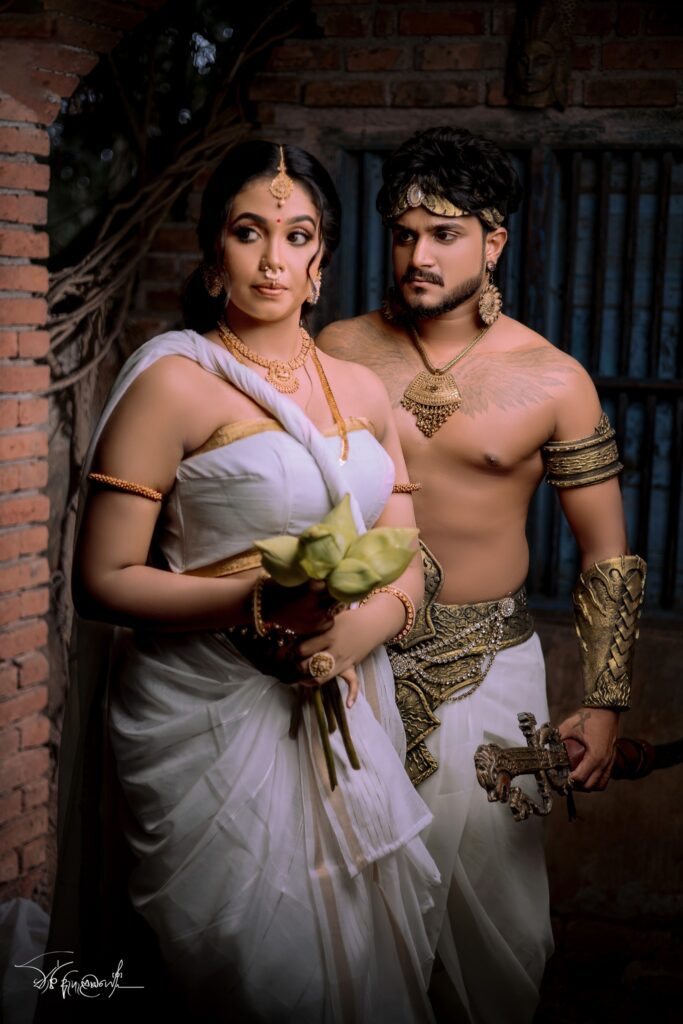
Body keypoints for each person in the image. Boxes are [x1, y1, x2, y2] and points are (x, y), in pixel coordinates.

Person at [43, 141, 442, 1024]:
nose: (272, 259)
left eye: (296, 236)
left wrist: (348, 638)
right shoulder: (173, 383)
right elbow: (101, 581)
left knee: (352, 962)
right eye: (248, 231)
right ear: (212, 250)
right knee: (250, 975)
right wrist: (259, 605)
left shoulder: (363, 393)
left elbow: (406, 556)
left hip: (344, 699)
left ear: (321, 256)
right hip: (204, 710)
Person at [317, 127, 646, 1023]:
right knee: (344, 912)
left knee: (499, 930)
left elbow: (607, 554)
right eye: (403, 234)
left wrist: (604, 699)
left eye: (445, 234)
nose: (417, 256)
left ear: (492, 241)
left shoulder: (554, 380)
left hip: (488, 672)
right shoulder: (336, 349)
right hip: (350, 662)